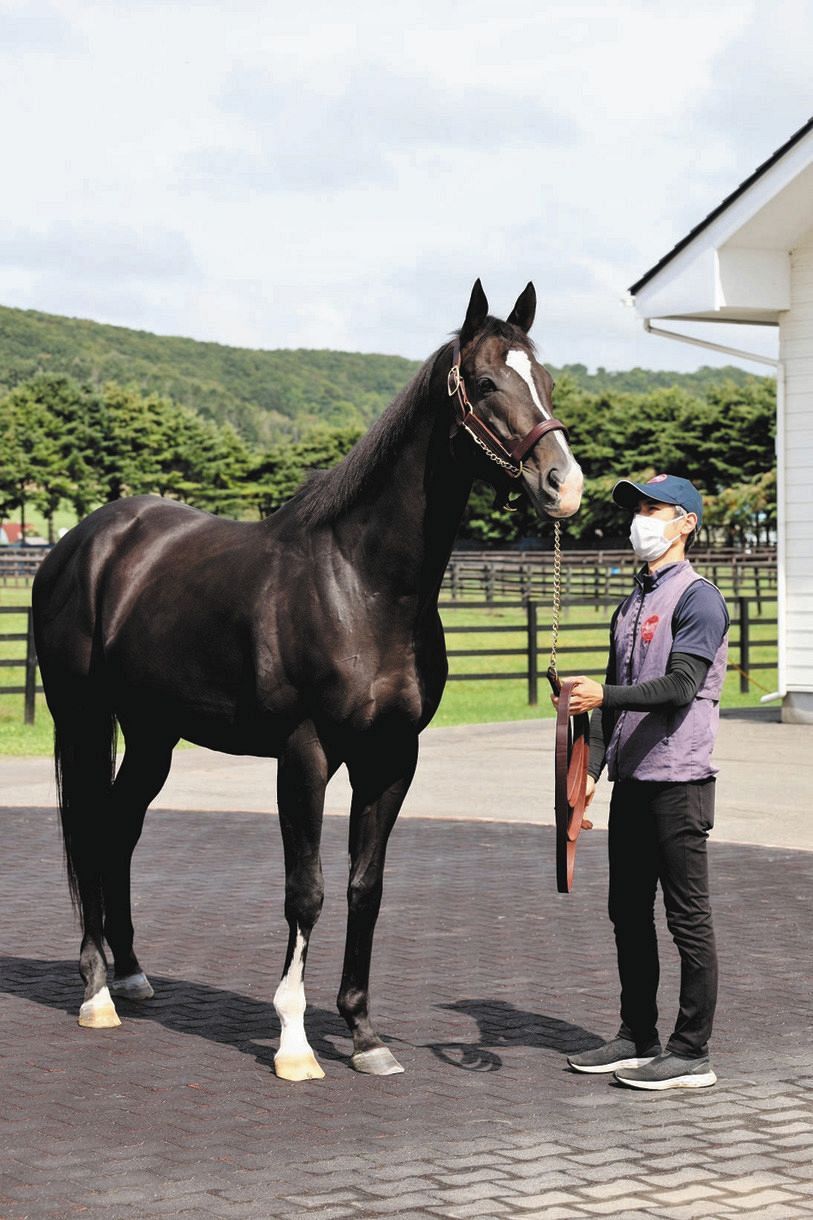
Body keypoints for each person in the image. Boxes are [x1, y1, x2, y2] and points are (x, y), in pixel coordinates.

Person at [560, 474, 728, 1090]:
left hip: (679, 783)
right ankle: (638, 1035)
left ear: (686, 522)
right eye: (636, 509)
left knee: (688, 919)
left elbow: (679, 687)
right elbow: (609, 710)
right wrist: (588, 782)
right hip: (633, 782)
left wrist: (606, 692)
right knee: (627, 912)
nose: (640, 519)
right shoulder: (630, 605)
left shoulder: (699, 599)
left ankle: (691, 1053)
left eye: (653, 509)